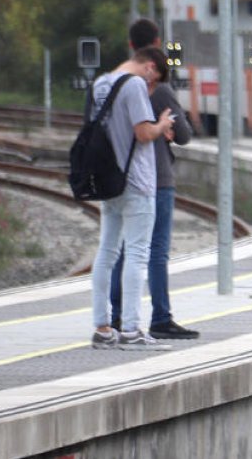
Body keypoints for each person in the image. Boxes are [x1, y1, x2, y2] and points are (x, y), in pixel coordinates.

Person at [109, 18, 198, 340]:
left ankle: (114, 316)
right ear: (156, 45)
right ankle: (161, 316)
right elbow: (184, 134)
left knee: (121, 248)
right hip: (157, 177)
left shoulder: (114, 80)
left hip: (120, 175)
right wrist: (168, 130)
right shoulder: (158, 88)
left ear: (131, 45)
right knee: (155, 251)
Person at [89, 46, 175, 351]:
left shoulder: (101, 83)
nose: (152, 88)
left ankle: (102, 328)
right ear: (150, 68)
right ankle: (130, 329)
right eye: (155, 81)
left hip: (107, 180)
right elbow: (142, 133)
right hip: (137, 182)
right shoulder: (135, 84)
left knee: (106, 252)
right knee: (138, 254)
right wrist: (162, 125)